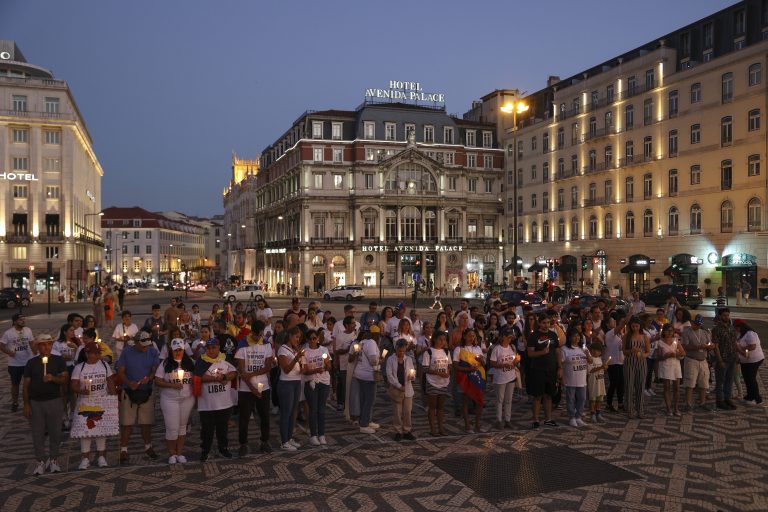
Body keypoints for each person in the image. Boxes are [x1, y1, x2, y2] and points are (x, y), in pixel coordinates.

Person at [24, 334, 68, 475]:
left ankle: (54, 459)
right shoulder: (31, 363)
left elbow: (64, 379)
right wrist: (26, 404)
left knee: (55, 432)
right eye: (43, 344)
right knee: (38, 433)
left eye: (49, 344)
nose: (46, 347)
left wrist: (53, 378)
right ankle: (40, 461)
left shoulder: (58, 360)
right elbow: (25, 386)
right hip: (36, 402)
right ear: (38, 347)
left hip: (54, 401)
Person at [116, 330, 160, 463]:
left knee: (146, 422)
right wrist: (129, 383)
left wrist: (150, 378)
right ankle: (123, 450)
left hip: (146, 390)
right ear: (135, 342)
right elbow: (120, 371)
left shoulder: (152, 351)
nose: (146, 347)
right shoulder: (126, 352)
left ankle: (148, 447)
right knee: (126, 423)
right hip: (129, 391)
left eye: (147, 344)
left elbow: (155, 369)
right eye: (143, 345)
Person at [71, 341, 117, 469]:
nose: (97, 356)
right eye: (94, 353)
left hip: (101, 401)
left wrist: (114, 398)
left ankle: (101, 456)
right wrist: (81, 390)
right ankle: (85, 458)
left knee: (101, 430)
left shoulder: (104, 365)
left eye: (98, 353)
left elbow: (110, 382)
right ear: (87, 354)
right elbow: (73, 385)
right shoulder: (79, 367)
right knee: (86, 431)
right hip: (85, 402)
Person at [235, 320, 274, 455]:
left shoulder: (267, 344)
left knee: (264, 416)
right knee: (244, 417)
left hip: (263, 386)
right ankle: (243, 444)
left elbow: (268, 366)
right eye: (256, 335)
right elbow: (241, 370)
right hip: (246, 388)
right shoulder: (242, 344)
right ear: (252, 332)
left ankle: (265, 441)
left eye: (260, 335)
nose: (258, 338)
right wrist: (252, 388)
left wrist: (252, 374)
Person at [194, 338, 237, 461]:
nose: (211, 350)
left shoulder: (225, 359)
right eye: (208, 348)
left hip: (224, 403)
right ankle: (205, 450)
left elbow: (234, 372)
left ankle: (223, 449)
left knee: (222, 429)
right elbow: (198, 376)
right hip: (207, 404)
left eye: (214, 348)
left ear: (218, 348)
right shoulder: (201, 361)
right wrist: (215, 379)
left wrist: (224, 376)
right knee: (207, 430)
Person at [154, 339, 196, 464]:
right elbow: (157, 380)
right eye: (175, 350)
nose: (178, 352)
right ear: (171, 351)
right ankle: (172, 453)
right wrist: (172, 385)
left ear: (184, 350)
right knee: (172, 427)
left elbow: (197, 379)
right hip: (169, 399)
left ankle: (179, 453)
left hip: (187, 399)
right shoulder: (165, 364)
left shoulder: (190, 363)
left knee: (182, 426)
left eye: (180, 350)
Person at [526, 314, 561, 429]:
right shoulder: (533, 336)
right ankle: (535, 419)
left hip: (551, 369)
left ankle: (548, 419)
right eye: (544, 323)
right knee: (537, 396)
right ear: (539, 323)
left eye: (548, 323)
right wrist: (542, 352)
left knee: (549, 395)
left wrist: (560, 367)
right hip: (537, 369)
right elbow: (530, 353)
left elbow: (557, 352)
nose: (546, 325)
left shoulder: (553, 335)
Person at [301, 329, 332, 446]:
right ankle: (313, 435)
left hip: (324, 381)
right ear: (308, 340)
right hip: (311, 382)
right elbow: (304, 370)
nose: (314, 340)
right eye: (311, 339)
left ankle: (322, 434)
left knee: (322, 409)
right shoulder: (305, 352)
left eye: (315, 338)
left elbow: (329, 365)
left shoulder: (324, 350)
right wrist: (315, 370)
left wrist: (326, 366)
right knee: (313, 409)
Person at [277, 326, 304, 450]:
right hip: (286, 383)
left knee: (294, 412)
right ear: (290, 336)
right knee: (286, 413)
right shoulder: (283, 350)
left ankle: (289, 437)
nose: (298, 340)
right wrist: (296, 358)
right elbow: (286, 369)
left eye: (299, 337)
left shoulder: (294, 349)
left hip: (296, 382)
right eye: (296, 337)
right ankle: (284, 442)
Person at [1, 313, 35, 412]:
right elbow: (2, 345)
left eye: (24, 319)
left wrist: (35, 353)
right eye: (20, 320)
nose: (23, 321)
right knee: (15, 384)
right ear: (15, 321)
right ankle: (15, 402)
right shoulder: (8, 333)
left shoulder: (28, 330)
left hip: (28, 362)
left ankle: (28, 402)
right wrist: (10, 353)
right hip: (14, 364)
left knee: (29, 384)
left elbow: (31, 342)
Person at [386, 339, 417, 441]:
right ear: (396, 349)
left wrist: (412, 377)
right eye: (400, 351)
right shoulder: (391, 359)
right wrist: (399, 386)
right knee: (397, 412)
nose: (401, 353)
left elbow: (412, 371)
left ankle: (407, 430)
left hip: (408, 389)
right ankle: (398, 431)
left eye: (403, 351)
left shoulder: (408, 359)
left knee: (407, 411)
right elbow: (390, 375)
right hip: (397, 389)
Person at [422, 332, 451, 436]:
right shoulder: (429, 352)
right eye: (440, 339)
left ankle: (441, 428)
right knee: (432, 406)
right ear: (434, 339)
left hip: (443, 382)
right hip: (432, 382)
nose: (442, 342)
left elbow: (449, 365)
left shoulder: (446, 352)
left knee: (441, 407)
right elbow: (425, 368)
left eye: (444, 340)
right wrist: (438, 372)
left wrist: (447, 372)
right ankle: (433, 428)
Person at [682, 314, 713, 412]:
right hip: (691, 360)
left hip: (703, 360)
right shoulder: (687, 332)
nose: (697, 326)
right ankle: (688, 403)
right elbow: (685, 346)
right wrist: (698, 347)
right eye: (695, 324)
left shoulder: (704, 332)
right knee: (690, 383)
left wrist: (710, 347)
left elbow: (710, 344)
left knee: (704, 383)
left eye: (699, 325)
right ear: (692, 323)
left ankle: (702, 403)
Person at [489, 327, 518, 429]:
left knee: (509, 399)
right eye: (508, 337)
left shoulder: (512, 347)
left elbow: (514, 360)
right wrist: (502, 365)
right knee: (500, 399)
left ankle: (507, 420)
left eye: (511, 337)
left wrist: (516, 361)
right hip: (500, 377)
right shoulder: (496, 349)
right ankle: (499, 419)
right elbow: (492, 363)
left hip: (511, 376)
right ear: (502, 337)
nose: (510, 339)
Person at [562, 329, 591, 427]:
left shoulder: (583, 348)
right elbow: (561, 363)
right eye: (574, 336)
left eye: (578, 336)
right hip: (570, 378)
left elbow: (590, 361)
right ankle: (571, 417)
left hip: (582, 378)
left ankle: (578, 416)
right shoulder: (565, 349)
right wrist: (562, 376)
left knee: (582, 398)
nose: (577, 338)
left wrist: (587, 354)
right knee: (570, 399)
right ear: (569, 338)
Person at [622, 317, 650, 419]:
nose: (635, 328)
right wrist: (631, 351)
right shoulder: (626, 336)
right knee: (629, 386)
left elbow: (648, 351)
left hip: (641, 363)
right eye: (633, 326)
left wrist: (644, 355)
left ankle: (640, 410)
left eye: (636, 326)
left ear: (640, 326)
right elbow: (624, 351)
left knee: (640, 386)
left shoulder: (644, 337)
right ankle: (630, 410)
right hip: (630, 362)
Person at [712, 308, 739, 410]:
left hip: (732, 358)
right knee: (720, 380)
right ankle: (719, 401)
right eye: (724, 315)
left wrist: (738, 355)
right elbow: (716, 346)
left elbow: (734, 343)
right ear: (720, 316)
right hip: (723, 359)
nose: (726, 317)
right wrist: (720, 360)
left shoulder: (731, 328)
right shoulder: (716, 329)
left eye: (727, 315)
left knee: (730, 379)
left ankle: (727, 398)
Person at [656, 324, 685, 415]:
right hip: (665, 365)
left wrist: (676, 354)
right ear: (664, 331)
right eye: (667, 330)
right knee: (667, 387)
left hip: (675, 365)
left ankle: (676, 408)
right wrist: (666, 356)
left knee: (676, 388)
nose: (669, 332)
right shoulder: (660, 342)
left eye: (671, 331)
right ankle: (669, 408)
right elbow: (658, 357)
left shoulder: (676, 341)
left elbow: (683, 353)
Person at [736, 322, 764, 405]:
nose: (736, 330)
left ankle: (756, 399)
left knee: (751, 379)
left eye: (736, 328)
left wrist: (741, 348)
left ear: (741, 327)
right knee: (747, 379)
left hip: (753, 360)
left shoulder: (750, 333)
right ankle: (749, 396)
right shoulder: (741, 334)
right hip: (746, 361)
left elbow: (753, 346)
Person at [333, 316, 357, 412]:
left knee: (353, 388)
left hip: (354, 365)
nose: (354, 325)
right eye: (352, 323)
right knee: (345, 387)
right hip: (344, 365)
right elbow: (337, 351)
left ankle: (352, 407)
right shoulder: (340, 336)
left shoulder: (356, 334)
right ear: (346, 325)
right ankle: (343, 405)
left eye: (354, 323)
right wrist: (348, 349)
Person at [604, 316, 625, 412]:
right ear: (608, 324)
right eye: (612, 321)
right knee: (613, 383)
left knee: (621, 383)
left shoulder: (618, 335)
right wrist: (629, 315)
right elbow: (621, 326)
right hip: (612, 363)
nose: (615, 322)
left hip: (620, 362)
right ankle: (609, 403)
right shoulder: (609, 333)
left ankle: (620, 403)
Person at [587, 343, 608, 423]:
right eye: (595, 350)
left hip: (600, 382)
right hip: (593, 383)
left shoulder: (600, 359)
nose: (597, 352)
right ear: (591, 350)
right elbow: (590, 370)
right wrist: (601, 367)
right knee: (593, 399)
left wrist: (605, 368)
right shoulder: (590, 359)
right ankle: (592, 414)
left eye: (599, 351)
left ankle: (598, 413)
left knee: (600, 399)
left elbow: (602, 370)